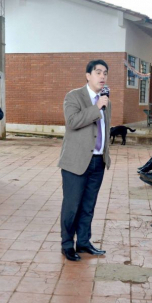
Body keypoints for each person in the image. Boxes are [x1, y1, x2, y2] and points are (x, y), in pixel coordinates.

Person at [58, 59, 111, 261]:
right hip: (76, 162)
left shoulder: (106, 99)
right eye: (98, 72)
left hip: (97, 161)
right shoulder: (74, 96)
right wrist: (97, 107)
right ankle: (67, 245)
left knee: (88, 205)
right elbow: (72, 122)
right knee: (72, 206)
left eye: (105, 72)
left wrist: (106, 154)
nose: (102, 76)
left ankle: (83, 242)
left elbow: (105, 129)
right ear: (88, 75)